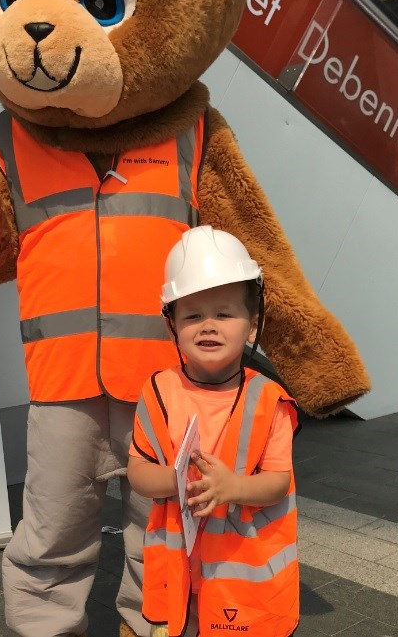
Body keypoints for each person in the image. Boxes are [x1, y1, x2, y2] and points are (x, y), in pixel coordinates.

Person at [127, 226, 299, 637]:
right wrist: (174, 480)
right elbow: (137, 472)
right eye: (192, 315)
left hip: (245, 579)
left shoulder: (269, 399)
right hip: (179, 573)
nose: (208, 325)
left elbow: (278, 483)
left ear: (252, 326)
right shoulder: (157, 391)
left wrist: (232, 488)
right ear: (172, 326)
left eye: (224, 313)